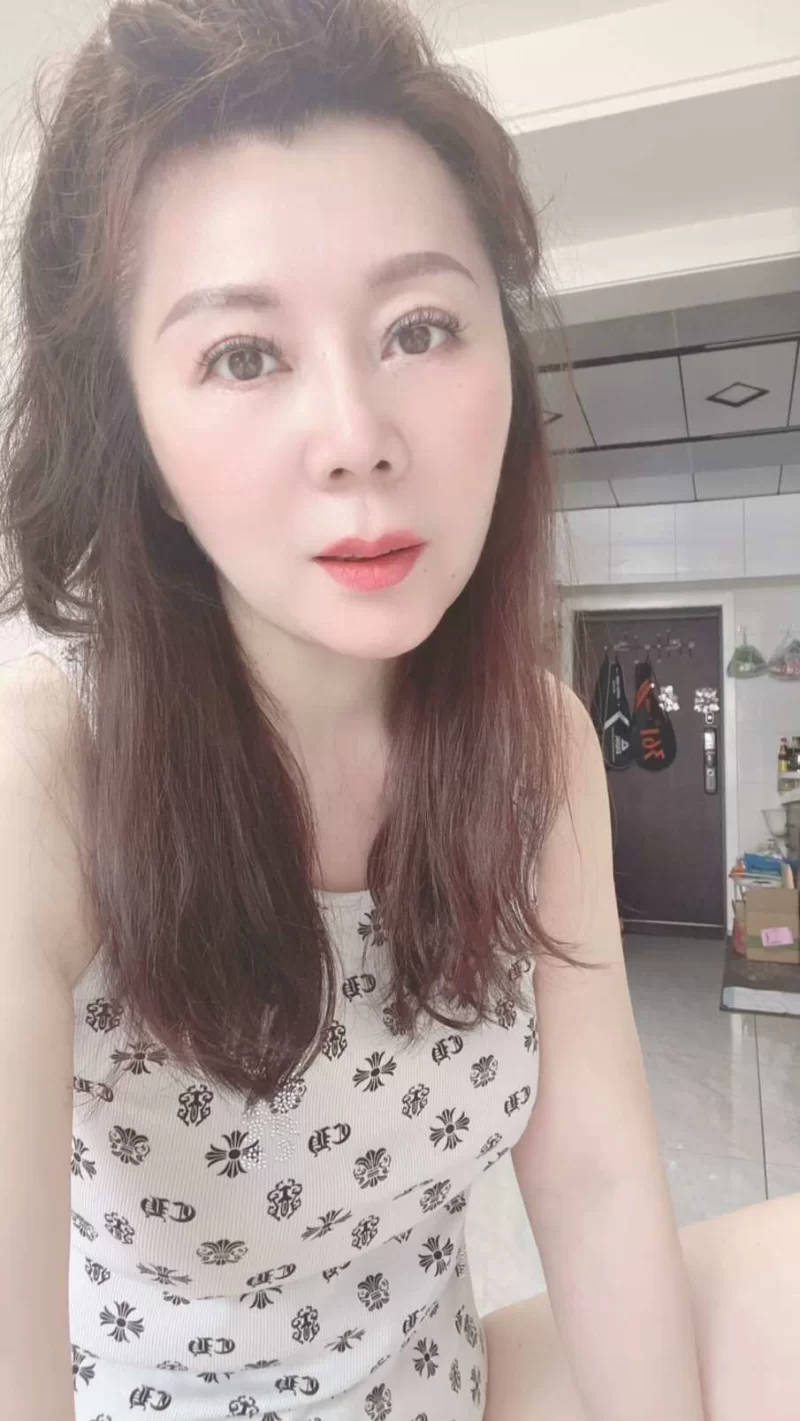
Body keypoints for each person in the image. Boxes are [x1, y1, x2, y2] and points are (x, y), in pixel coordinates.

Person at [0, 2, 797, 1418]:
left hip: (440, 1387)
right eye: (245, 356)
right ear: (142, 447)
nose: (359, 438)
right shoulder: (44, 765)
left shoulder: (536, 743)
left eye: (420, 329)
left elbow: (596, 1180)